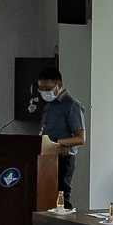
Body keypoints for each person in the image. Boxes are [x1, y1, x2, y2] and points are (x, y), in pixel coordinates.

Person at [34, 65, 87, 205]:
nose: (44, 92)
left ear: (59, 85)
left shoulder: (72, 105)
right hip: (46, 158)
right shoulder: (49, 105)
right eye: (41, 88)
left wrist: (57, 142)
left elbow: (80, 138)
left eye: (47, 88)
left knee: (61, 198)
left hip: (63, 160)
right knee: (45, 198)